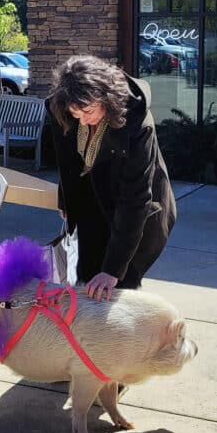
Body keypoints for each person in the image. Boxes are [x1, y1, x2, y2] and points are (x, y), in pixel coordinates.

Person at [47, 55, 176, 301]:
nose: (82, 120)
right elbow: (68, 161)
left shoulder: (138, 124)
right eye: (76, 115)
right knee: (86, 277)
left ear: (106, 98)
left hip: (137, 210)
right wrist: (66, 198)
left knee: (118, 286)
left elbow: (135, 199)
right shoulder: (65, 108)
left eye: (88, 111)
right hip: (93, 197)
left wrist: (113, 270)